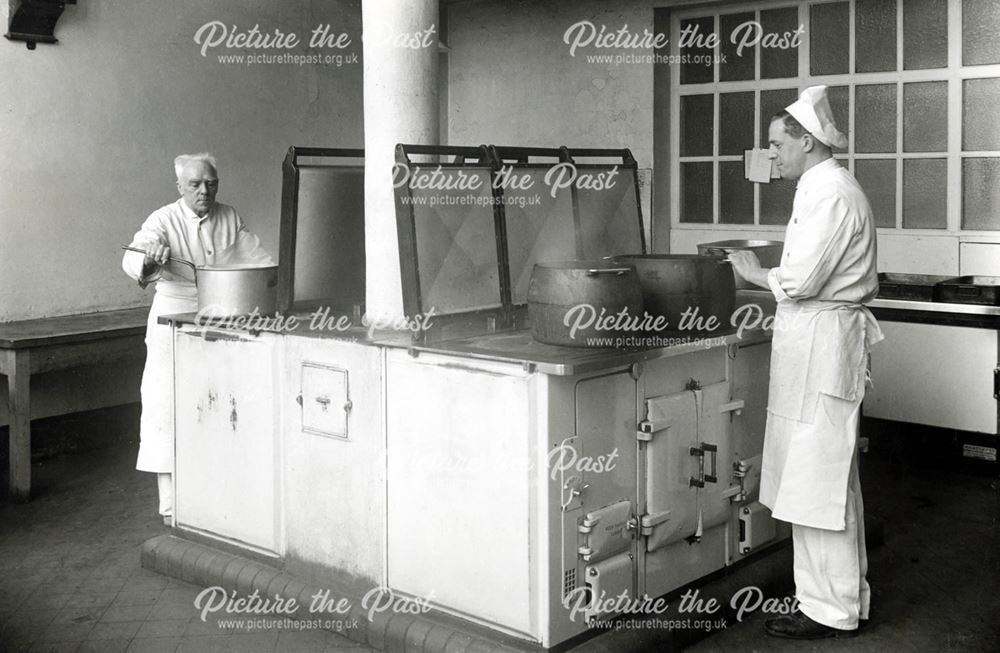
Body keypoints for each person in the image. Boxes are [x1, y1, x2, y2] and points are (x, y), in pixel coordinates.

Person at [728, 86, 883, 640]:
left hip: (824, 348)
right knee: (822, 482)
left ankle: (828, 609)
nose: (771, 155)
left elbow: (802, 279)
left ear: (808, 142)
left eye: (776, 144)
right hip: (815, 346)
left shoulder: (831, 193)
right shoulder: (819, 188)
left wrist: (750, 272)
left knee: (819, 485)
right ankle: (840, 601)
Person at [122, 153, 273, 524]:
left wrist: (275, 280)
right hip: (171, 319)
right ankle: (171, 507)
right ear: (180, 187)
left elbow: (259, 259)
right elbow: (136, 254)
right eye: (195, 184)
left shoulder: (229, 216)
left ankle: (215, 496)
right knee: (166, 404)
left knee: (217, 401)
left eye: (211, 183)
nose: (204, 190)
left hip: (217, 315)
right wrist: (149, 259)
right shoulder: (163, 219)